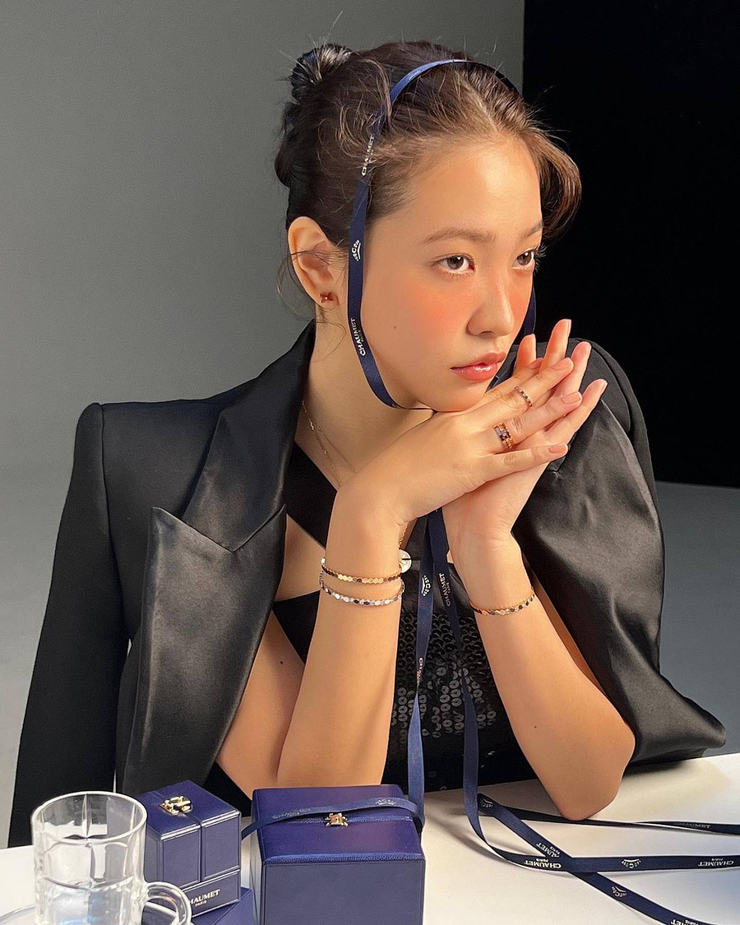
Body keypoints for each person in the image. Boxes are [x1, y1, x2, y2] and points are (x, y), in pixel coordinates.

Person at [7, 40, 725, 849]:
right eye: (455, 260)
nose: (501, 315)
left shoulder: (568, 418)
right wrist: (373, 512)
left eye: (524, 256)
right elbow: (317, 828)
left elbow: (590, 782)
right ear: (321, 267)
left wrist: (487, 543)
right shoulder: (171, 480)